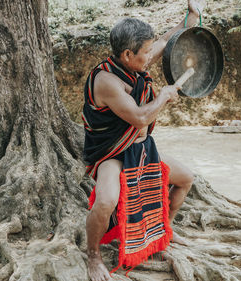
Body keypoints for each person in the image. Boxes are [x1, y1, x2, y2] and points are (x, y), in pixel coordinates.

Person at [83, 1, 204, 280]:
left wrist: (192, 16)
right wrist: (162, 96)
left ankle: (166, 232)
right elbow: (139, 118)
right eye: (146, 52)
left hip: (141, 149)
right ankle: (93, 255)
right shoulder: (106, 81)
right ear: (127, 54)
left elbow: (166, 39)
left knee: (185, 178)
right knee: (105, 201)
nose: (151, 55)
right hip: (113, 154)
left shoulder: (137, 59)